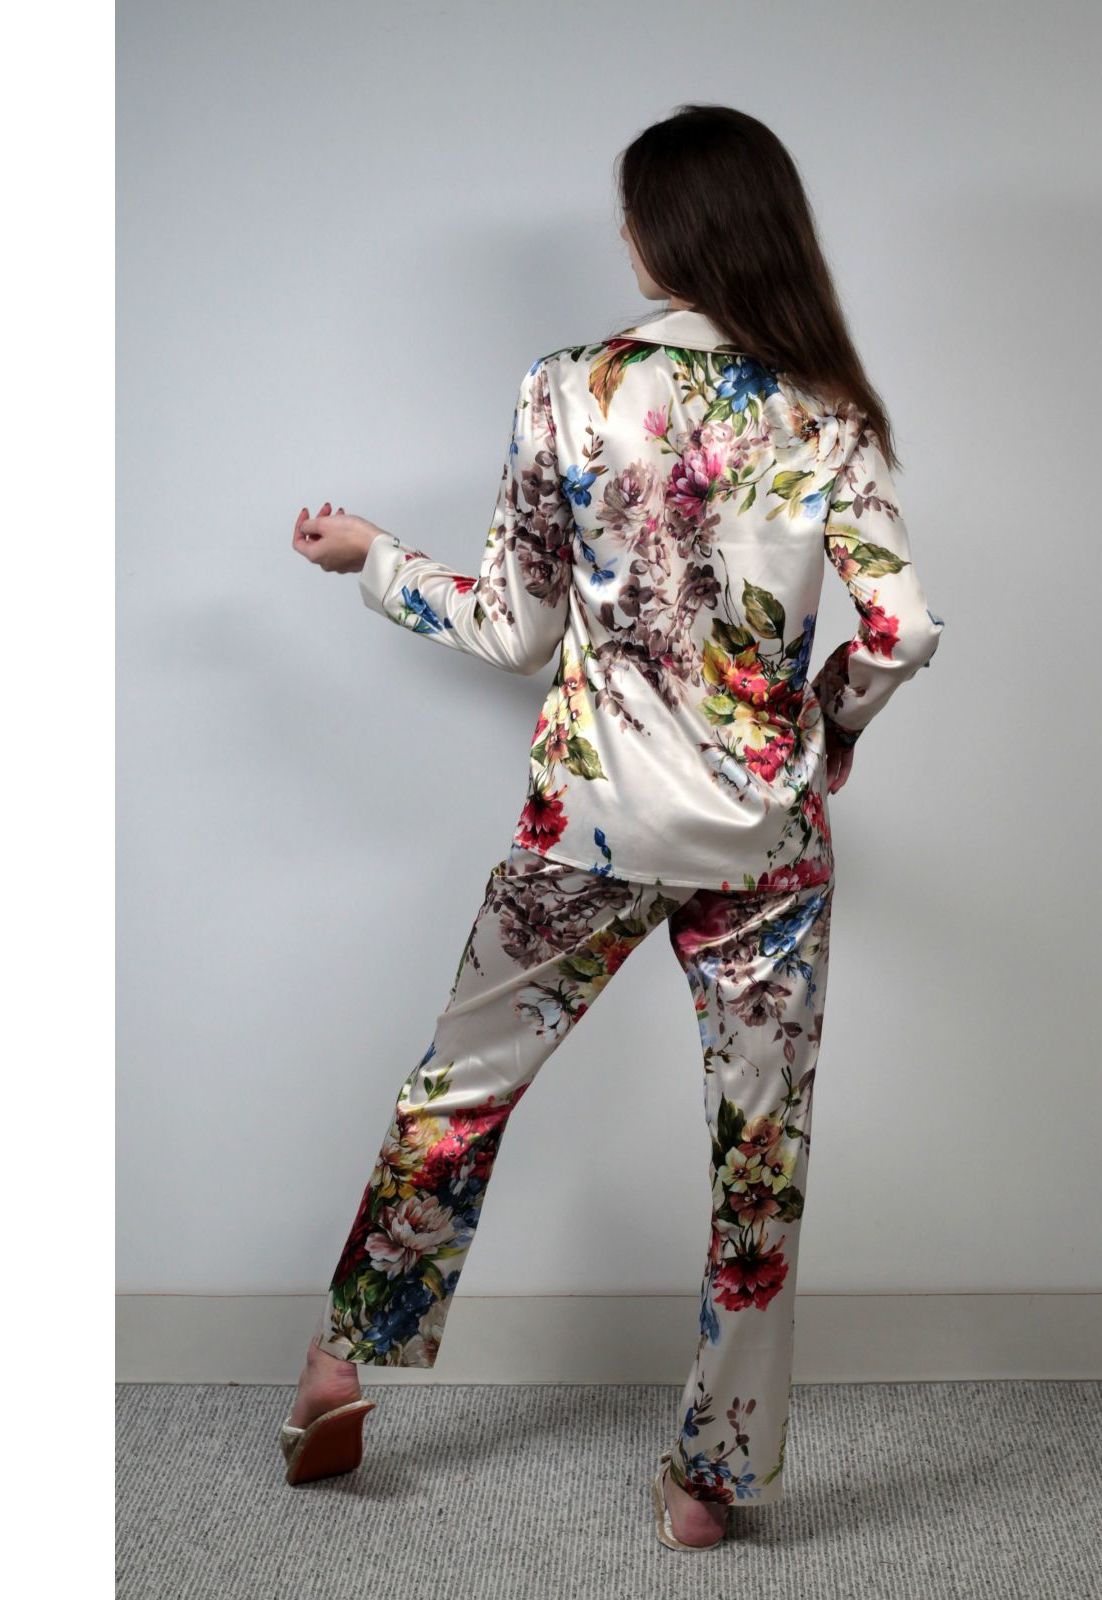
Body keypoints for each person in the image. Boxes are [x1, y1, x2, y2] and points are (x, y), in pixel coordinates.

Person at [284, 103, 945, 1552]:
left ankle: (339, 1369)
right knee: (760, 1153)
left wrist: (374, 560)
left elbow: (515, 630)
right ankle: (708, 1483)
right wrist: (826, 728)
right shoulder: (830, 410)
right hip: (766, 845)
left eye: (631, 213)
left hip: (584, 824)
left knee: (459, 1090)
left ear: (664, 231)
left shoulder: (569, 388)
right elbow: (902, 629)